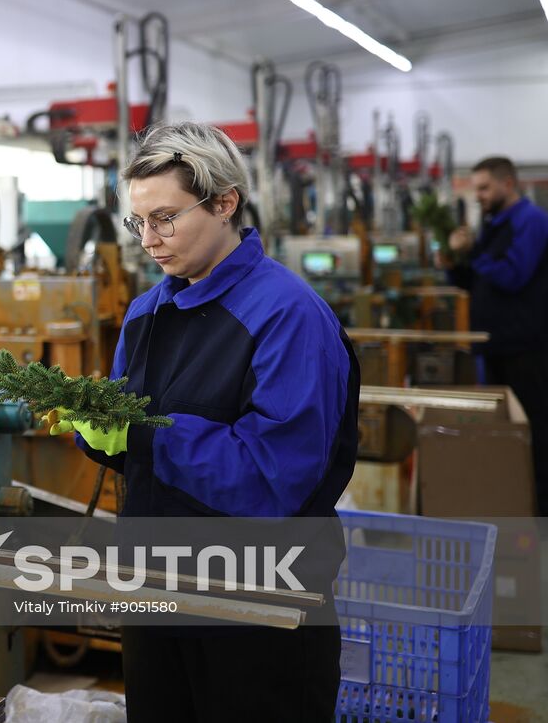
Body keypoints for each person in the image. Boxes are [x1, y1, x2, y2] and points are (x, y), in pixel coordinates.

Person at [54, 122, 358, 722]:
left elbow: (276, 478)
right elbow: (139, 450)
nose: (149, 240)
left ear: (224, 204)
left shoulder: (289, 315)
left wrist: (145, 435)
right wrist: (100, 434)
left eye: (165, 218)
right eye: (138, 222)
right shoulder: (146, 312)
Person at [445, 155, 548, 515]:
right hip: (494, 348)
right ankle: (513, 504)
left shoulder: (531, 221)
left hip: (526, 349)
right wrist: (454, 263)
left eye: (485, 188)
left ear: (508, 183)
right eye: (476, 189)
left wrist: (473, 252)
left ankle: (540, 512)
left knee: (534, 430)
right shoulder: (492, 224)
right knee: (506, 433)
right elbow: (478, 282)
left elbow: (513, 276)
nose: (479, 196)